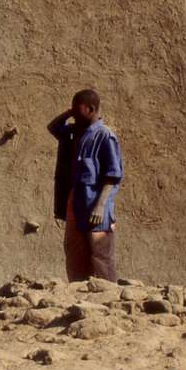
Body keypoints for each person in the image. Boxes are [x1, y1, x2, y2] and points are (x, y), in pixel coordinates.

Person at [47, 89, 124, 282]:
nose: (73, 112)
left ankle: (109, 299)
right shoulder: (74, 133)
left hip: (96, 204)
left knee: (101, 255)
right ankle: (79, 294)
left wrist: (100, 205)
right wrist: (70, 112)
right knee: (75, 253)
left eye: (76, 108)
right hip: (76, 202)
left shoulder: (105, 136)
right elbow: (53, 127)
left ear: (91, 109)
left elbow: (113, 175)